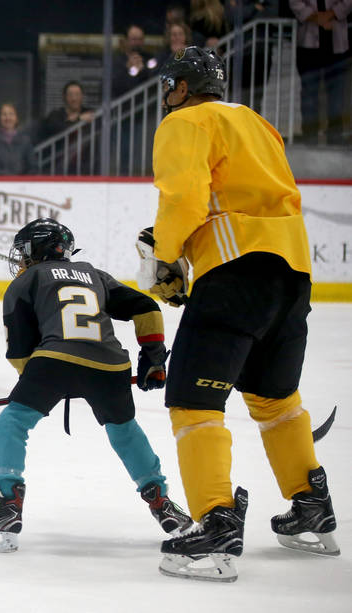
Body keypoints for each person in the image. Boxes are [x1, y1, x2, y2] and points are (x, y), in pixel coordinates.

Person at [143, 46, 339, 583]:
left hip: (236, 272)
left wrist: (166, 257)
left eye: (170, 87)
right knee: (274, 397)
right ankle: (310, 506)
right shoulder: (256, 122)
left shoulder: (186, 120)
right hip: (293, 271)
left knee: (192, 400)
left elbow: (183, 196)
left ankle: (217, 522)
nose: (168, 97)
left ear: (182, 88)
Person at [0, 218, 192, 553]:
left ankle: (9, 505)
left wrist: (43, 384)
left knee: (11, 423)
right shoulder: (94, 274)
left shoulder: (26, 281)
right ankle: (162, 503)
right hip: (111, 366)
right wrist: (154, 358)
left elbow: (19, 353)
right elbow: (147, 307)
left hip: (53, 363)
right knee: (125, 431)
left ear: (32, 251)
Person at [290, 0, 351, 145]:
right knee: (309, 93)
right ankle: (310, 134)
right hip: (308, 44)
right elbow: (294, 2)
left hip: (337, 44)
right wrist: (316, 18)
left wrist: (330, 14)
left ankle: (335, 134)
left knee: (337, 93)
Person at [0, 103, 36, 175]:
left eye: (11, 114)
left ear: (16, 118)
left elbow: (33, 167)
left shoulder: (25, 141)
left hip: (20, 184)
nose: (8, 118)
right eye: (4, 114)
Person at [112, 24, 155, 97]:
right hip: (123, 105)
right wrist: (127, 70)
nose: (137, 43)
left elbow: (155, 84)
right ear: (125, 41)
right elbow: (114, 87)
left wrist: (142, 71)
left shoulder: (150, 59)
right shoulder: (116, 62)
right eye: (134, 39)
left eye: (140, 39)